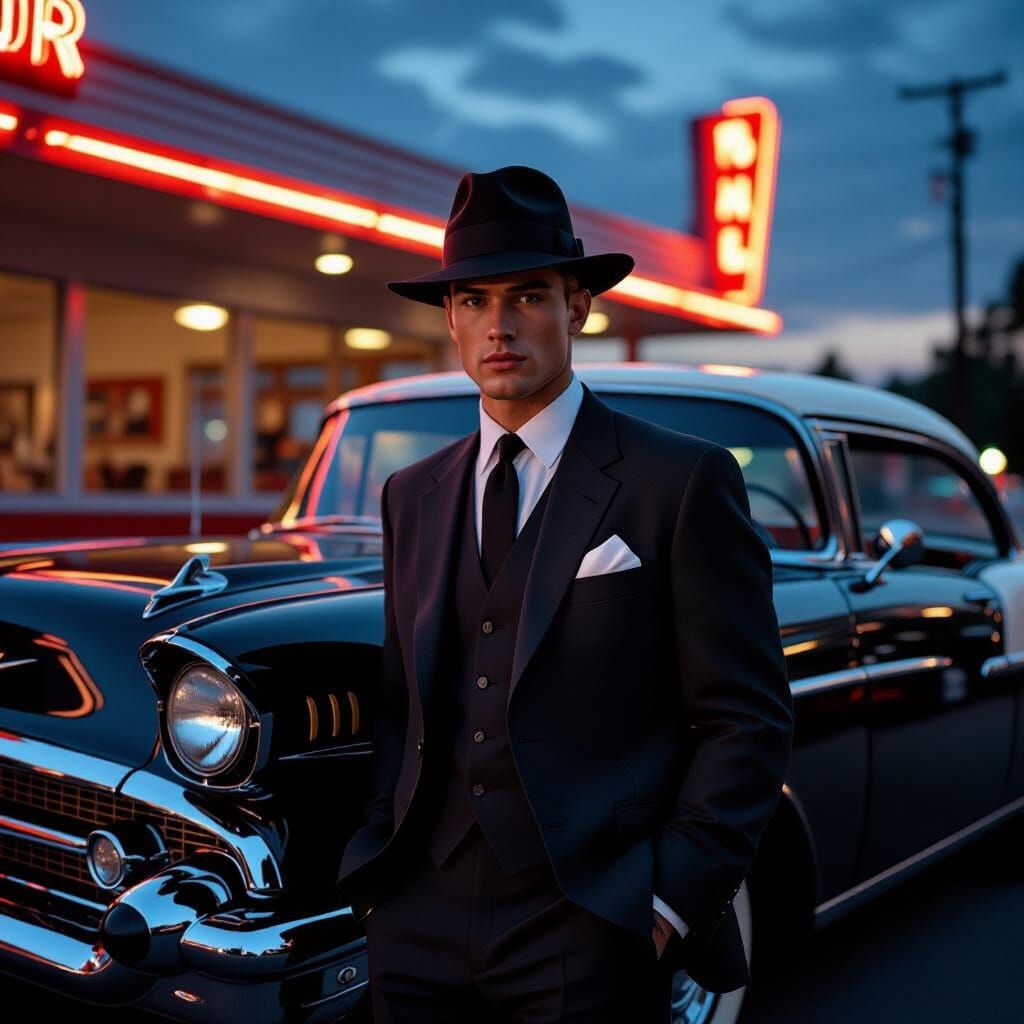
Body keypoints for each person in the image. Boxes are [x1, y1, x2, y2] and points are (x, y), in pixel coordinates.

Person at [337, 164, 794, 1021]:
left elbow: (748, 717)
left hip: (588, 917)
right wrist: (379, 872)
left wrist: (667, 903)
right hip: (417, 914)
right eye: (473, 300)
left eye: (527, 296)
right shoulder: (411, 494)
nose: (499, 324)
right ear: (449, 317)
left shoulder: (679, 479)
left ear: (578, 306)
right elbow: (402, 705)